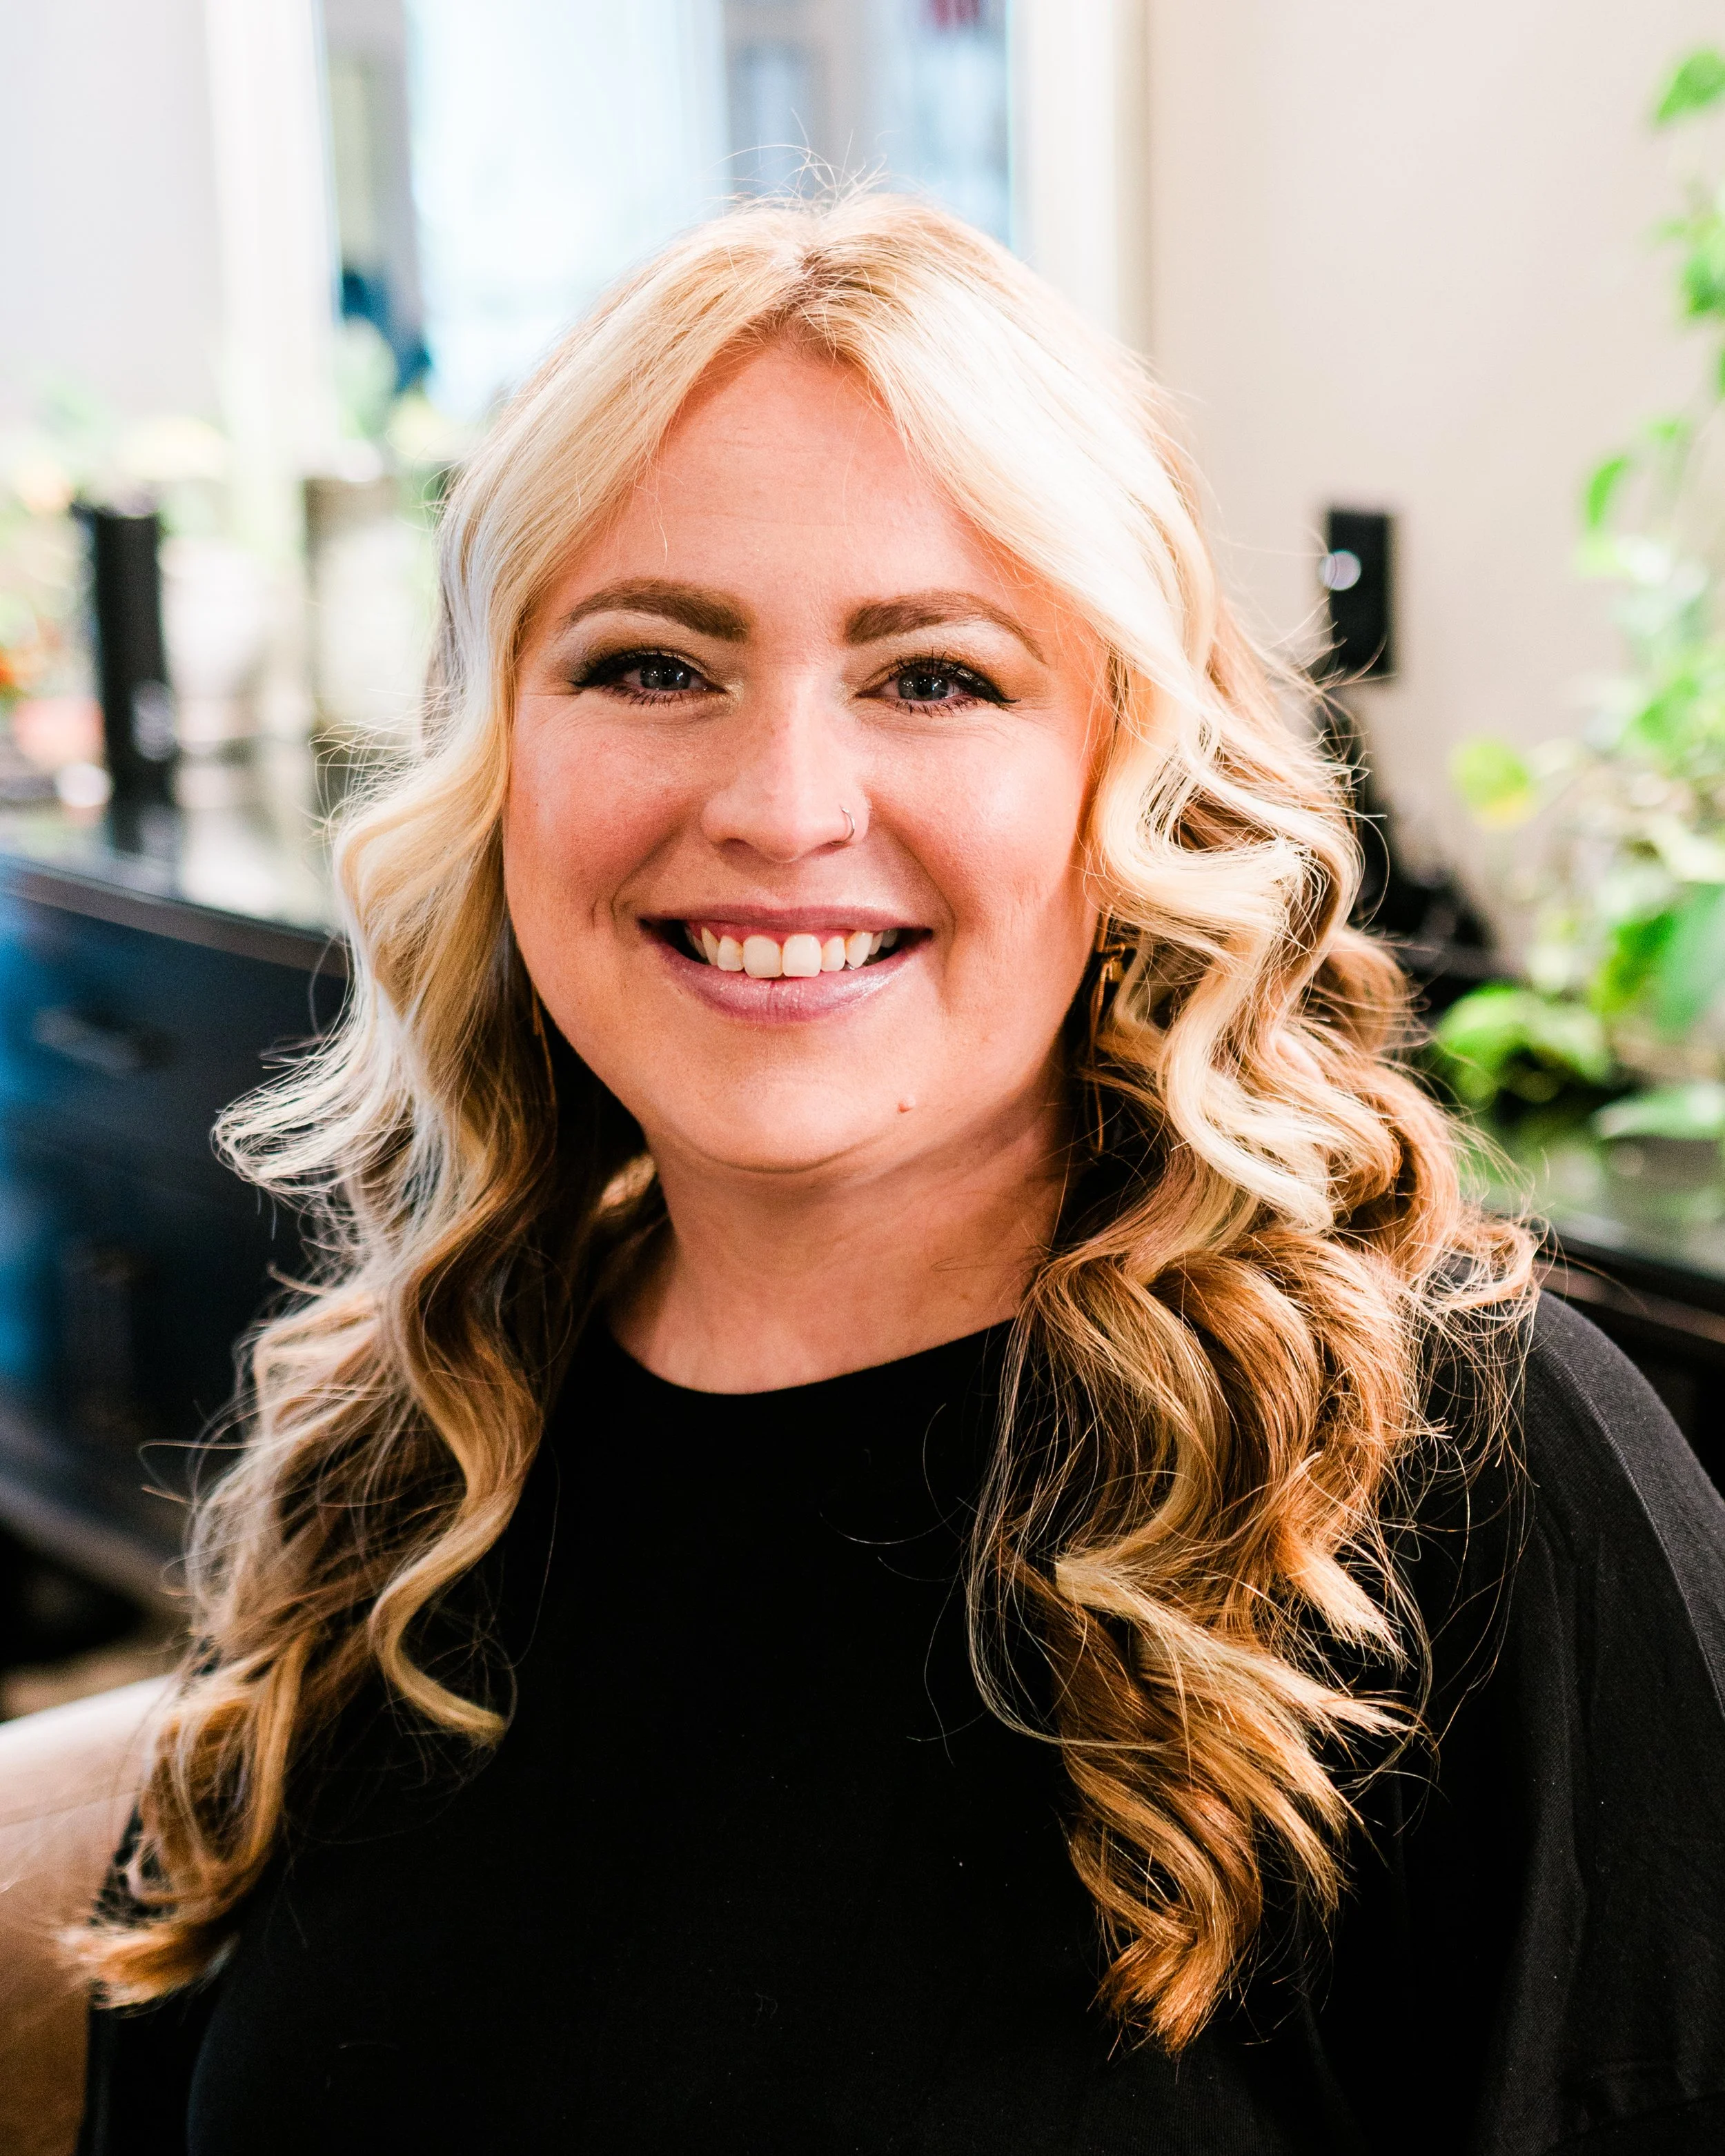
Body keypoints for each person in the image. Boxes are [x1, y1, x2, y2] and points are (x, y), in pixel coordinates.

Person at [75, 195, 1725, 2155]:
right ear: (495, 755)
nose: (782, 808)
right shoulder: (404, 1439)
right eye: (650, 666)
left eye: (934, 678)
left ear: (1127, 778)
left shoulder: (1456, 1473)